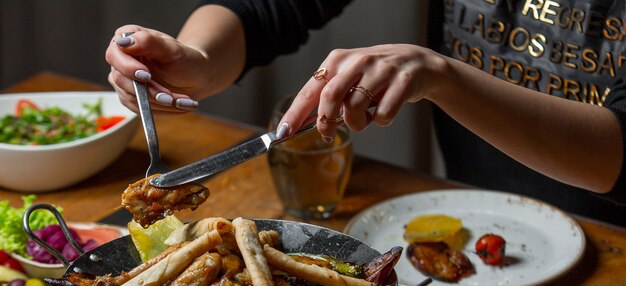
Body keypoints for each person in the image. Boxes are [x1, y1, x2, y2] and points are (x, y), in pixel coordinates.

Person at [105, 1, 626, 226]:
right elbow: (265, 9)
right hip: (482, 221)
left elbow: (617, 154)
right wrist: (194, 60)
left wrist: (441, 75)